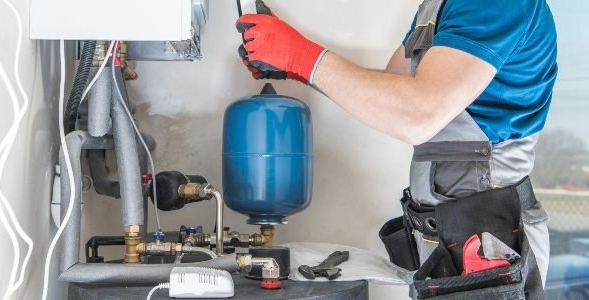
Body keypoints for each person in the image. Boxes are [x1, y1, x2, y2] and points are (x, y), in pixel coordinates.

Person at [236, 0, 557, 298]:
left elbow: (417, 113)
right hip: (451, 234)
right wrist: (295, 66)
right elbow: (390, 88)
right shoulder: (439, 5)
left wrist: (303, 57)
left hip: (489, 239)